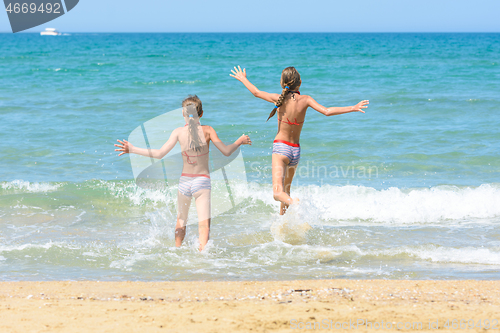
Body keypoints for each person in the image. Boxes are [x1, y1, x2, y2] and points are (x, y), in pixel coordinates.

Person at [115, 95, 251, 251]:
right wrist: (240, 141)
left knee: (181, 221)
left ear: (183, 114)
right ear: (201, 113)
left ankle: (177, 250)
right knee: (204, 224)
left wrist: (132, 149)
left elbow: (159, 154)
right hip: (202, 182)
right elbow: (226, 152)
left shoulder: (178, 132)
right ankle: (202, 258)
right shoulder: (208, 130)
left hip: (184, 182)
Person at [230, 66, 368, 215]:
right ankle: (284, 224)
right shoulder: (306, 99)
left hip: (281, 148)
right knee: (286, 190)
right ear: (299, 83)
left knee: (278, 193)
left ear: (282, 83)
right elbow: (327, 111)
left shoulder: (279, 98)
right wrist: (352, 107)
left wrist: (243, 78)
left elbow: (256, 92)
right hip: (295, 151)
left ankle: (296, 204)